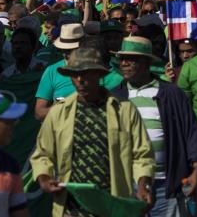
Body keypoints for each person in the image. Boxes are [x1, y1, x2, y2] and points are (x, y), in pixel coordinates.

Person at [30, 47, 155, 217]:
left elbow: (142, 154)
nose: (80, 80)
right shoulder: (58, 112)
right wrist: (44, 178)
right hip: (71, 207)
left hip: (112, 205)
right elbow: (42, 154)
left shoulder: (124, 110)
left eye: (86, 74)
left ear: (98, 75)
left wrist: (143, 185)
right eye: (74, 75)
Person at [111, 36, 197, 216]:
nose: (124, 63)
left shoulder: (171, 93)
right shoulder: (114, 96)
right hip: (127, 185)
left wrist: (196, 168)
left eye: (131, 59)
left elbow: (191, 131)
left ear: (146, 62)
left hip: (165, 185)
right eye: (122, 59)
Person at [34, 26, 121, 120]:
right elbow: (39, 113)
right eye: (63, 49)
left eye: (71, 49)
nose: (66, 54)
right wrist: (64, 107)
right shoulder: (52, 71)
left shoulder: (112, 74)